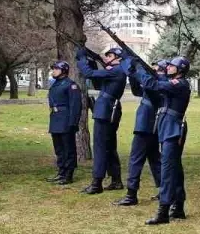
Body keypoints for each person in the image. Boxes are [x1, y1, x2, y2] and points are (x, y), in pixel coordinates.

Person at [127, 56, 191, 225]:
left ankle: (163, 210)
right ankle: (178, 206)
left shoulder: (180, 84)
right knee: (174, 168)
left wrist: (140, 69)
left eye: (171, 66)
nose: (168, 68)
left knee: (168, 170)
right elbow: (154, 83)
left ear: (180, 69)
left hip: (173, 129)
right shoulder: (172, 82)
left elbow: (152, 84)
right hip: (167, 127)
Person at [112, 59, 167, 207]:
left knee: (135, 159)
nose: (154, 70)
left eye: (156, 69)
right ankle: (164, 191)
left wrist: (137, 69)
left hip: (146, 126)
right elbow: (138, 91)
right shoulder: (157, 83)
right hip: (150, 126)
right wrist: (132, 74)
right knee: (155, 159)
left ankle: (131, 194)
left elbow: (148, 84)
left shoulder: (160, 83)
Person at [74, 46, 127, 195]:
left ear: (118, 59)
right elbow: (97, 81)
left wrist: (82, 59)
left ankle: (96, 183)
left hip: (106, 111)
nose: (107, 58)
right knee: (109, 146)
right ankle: (116, 180)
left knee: (100, 147)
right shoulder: (115, 71)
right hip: (109, 109)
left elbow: (88, 74)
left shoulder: (116, 70)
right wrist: (92, 60)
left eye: (110, 56)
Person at [45, 61, 82, 185]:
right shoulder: (56, 84)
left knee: (68, 149)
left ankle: (68, 175)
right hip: (55, 119)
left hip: (66, 120)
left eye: (56, 69)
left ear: (64, 70)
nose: (53, 71)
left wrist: (73, 123)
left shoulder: (71, 85)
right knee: (59, 149)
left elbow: (75, 105)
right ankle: (61, 172)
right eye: (53, 69)